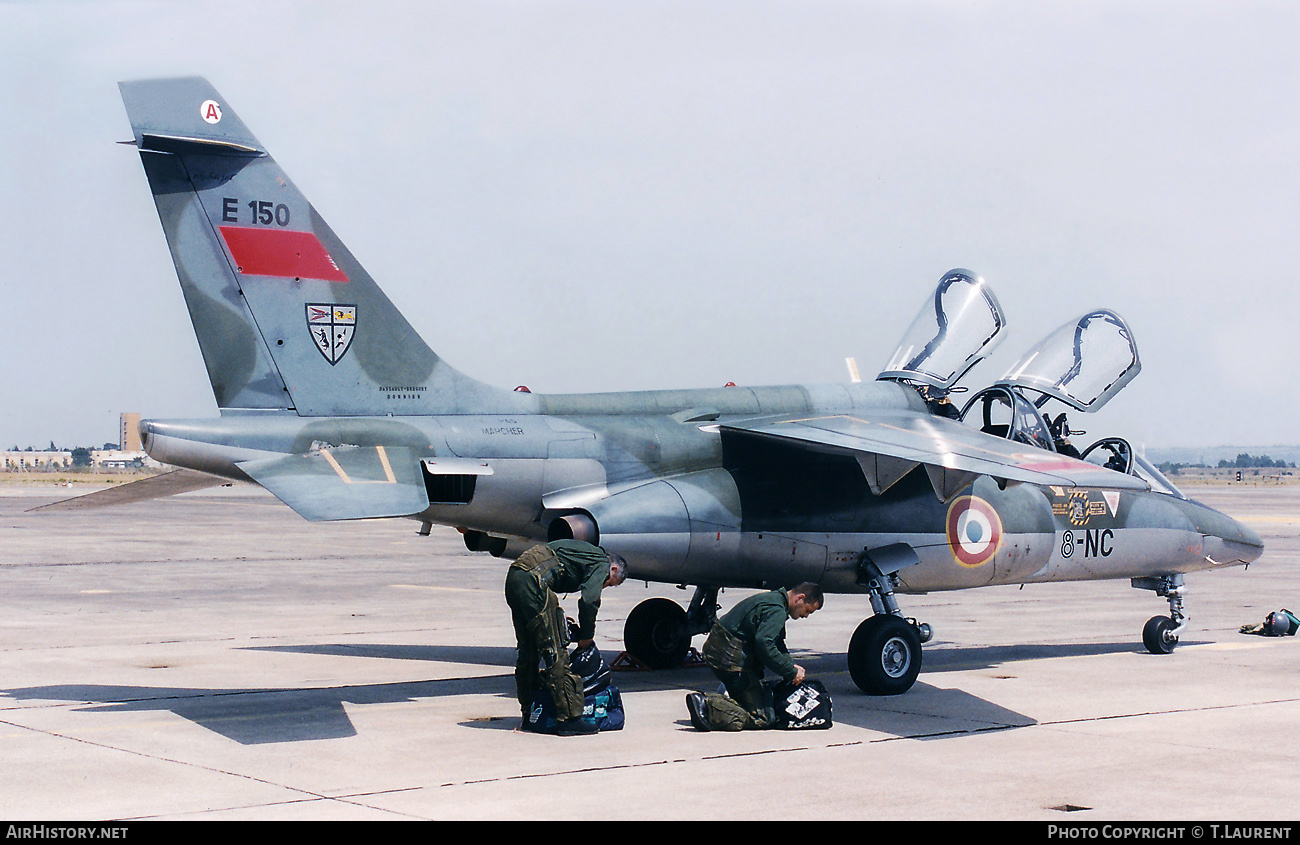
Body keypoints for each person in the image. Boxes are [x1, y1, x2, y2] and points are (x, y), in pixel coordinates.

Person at [505, 538, 627, 735]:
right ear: (613, 569)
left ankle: (530, 713)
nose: (604, 585)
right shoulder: (603, 563)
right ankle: (569, 718)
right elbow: (589, 600)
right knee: (556, 650)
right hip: (534, 580)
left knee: (529, 650)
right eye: (610, 583)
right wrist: (586, 637)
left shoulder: (586, 553)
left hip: (516, 576)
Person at [685, 583, 823, 731]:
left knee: (758, 698)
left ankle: (729, 697)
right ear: (799, 598)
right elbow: (765, 646)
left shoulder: (775, 600)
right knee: (763, 717)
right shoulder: (777, 610)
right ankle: (707, 704)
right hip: (728, 659)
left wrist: (791, 666)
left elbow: (776, 642)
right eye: (808, 610)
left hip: (721, 652)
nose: (806, 616)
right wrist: (790, 671)